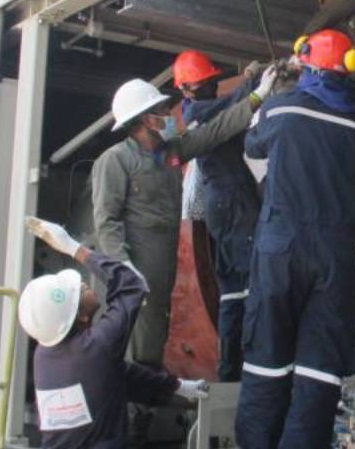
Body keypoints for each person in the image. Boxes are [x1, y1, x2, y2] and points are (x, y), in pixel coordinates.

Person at [234, 30, 355, 448]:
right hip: (333, 258)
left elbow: (252, 146)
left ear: (308, 66)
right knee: (319, 369)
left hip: (279, 250)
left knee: (266, 361)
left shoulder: (280, 109)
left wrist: (263, 96)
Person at [91, 67, 276, 371]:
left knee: (156, 330)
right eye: (162, 111)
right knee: (139, 335)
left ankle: (148, 391)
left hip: (163, 262)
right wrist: (123, 267)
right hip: (137, 264)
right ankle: (135, 392)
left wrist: (258, 96)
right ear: (146, 120)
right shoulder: (115, 160)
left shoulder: (171, 152)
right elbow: (106, 221)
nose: (169, 115)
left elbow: (215, 131)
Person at [19, 216, 209, 448]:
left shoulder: (45, 356)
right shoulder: (96, 348)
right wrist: (74, 248)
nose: (83, 283)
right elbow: (130, 285)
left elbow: (116, 374)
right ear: (81, 316)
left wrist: (176, 386)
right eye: (79, 290)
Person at [173, 51, 262, 382]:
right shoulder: (198, 112)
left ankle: (230, 369)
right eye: (204, 83)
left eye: (212, 81)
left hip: (223, 202)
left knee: (233, 288)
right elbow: (230, 108)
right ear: (186, 89)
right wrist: (255, 84)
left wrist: (251, 81)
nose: (210, 86)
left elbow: (228, 105)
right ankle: (254, 362)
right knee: (253, 279)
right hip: (232, 199)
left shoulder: (199, 108)